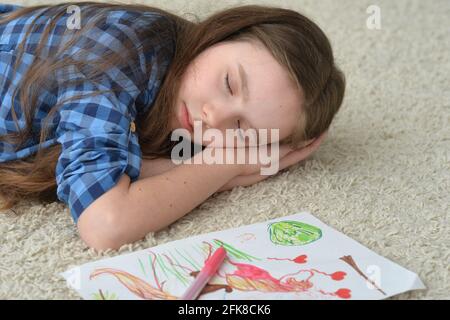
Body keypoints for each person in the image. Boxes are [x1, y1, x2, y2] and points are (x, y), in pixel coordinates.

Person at [0, 2, 345, 250]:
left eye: (241, 129)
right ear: (221, 34)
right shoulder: (116, 54)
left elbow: (127, 168)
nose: (214, 116)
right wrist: (227, 164)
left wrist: (206, 166)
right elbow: (106, 223)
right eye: (229, 82)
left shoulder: (175, 101)